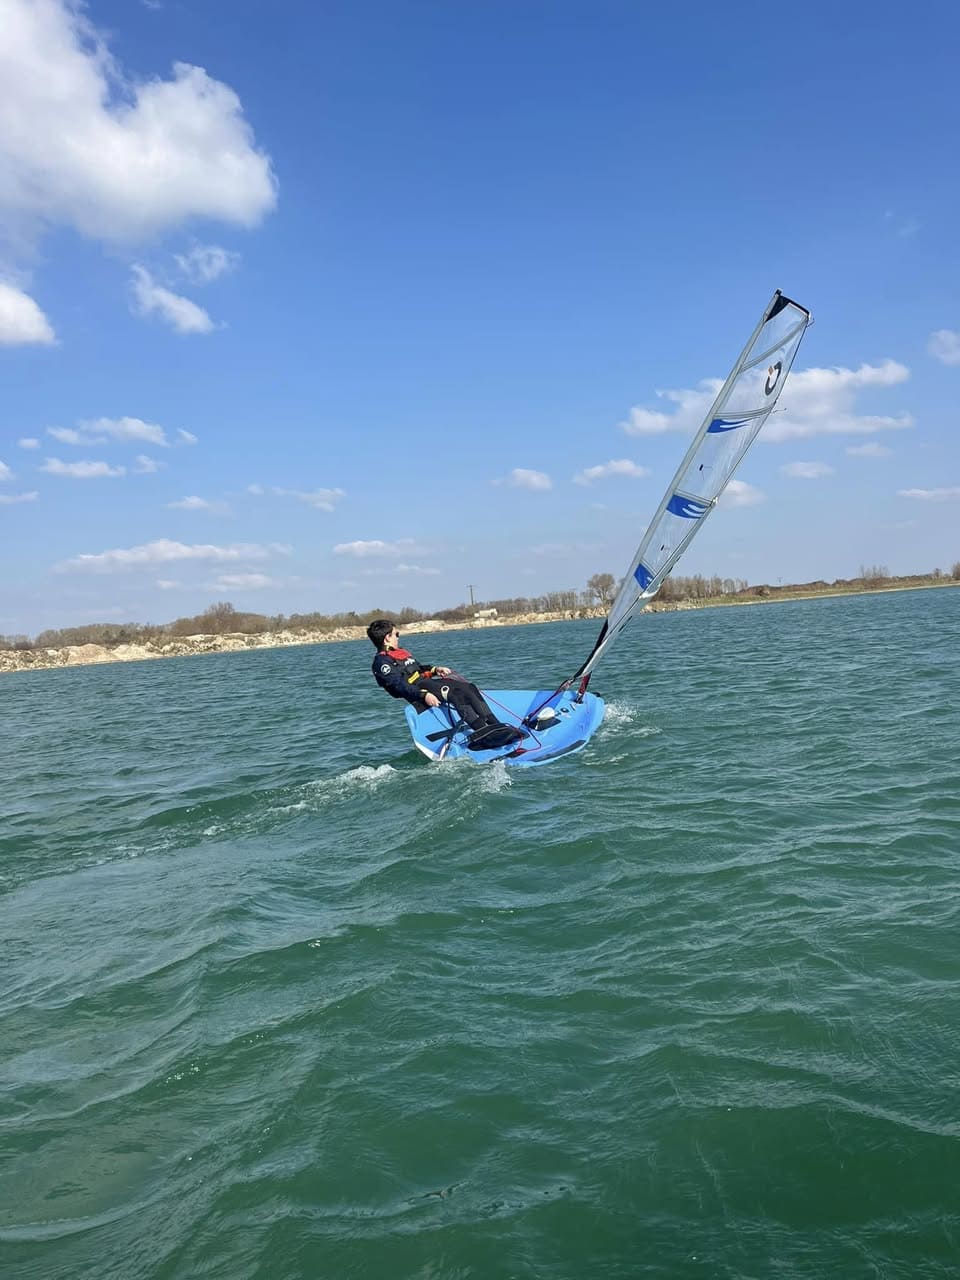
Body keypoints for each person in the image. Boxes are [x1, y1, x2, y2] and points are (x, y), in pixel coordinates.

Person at [366, 619, 523, 749]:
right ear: (387, 638)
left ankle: (496, 726)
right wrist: (424, 695)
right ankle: (483, 733)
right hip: (418, 690)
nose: (398, 637)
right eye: (396, 634)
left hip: (426, 682)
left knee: (469, 687)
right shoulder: (382, 662)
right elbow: (400, 686)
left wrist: (435, 670)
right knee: (456, 694)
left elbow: (418, 669)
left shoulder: (399, 653)